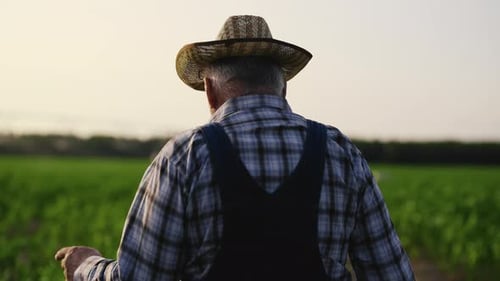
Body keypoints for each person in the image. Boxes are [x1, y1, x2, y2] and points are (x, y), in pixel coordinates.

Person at [55, 15, 415, 281]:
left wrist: (85, 265)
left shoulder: (183, 157)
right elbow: (391, 274)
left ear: (210, 91)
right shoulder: (341, 153)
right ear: (283, 89)